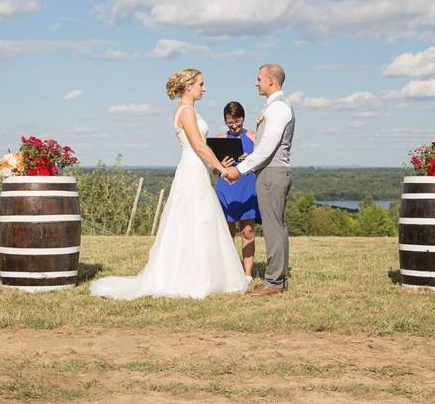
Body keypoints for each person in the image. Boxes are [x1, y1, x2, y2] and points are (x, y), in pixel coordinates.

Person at [90, 68, 248, 300]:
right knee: (193, 219)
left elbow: (204, 148)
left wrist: (215, 165)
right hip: (192, 168)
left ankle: (205, 274)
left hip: (197, 168)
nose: (204, 88)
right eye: (201, 84)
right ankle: (190, 277)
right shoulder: (185, 111)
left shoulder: (190, 110)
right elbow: (199, 145)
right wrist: (223, 170)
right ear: (188, 86)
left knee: (201, 219)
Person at [224, 63, 295, 297]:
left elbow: (267, 147)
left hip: (273, 173)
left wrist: (240, 169)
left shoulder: (278, 109)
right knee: (276, 226)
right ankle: (277, 278)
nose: (257, 83)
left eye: (259, 79)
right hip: (270, 172)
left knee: (274, 227)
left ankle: (274, 282)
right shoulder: (274, 107)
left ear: (271, 81)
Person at [215, 101, 259, 282]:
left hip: (247, 188)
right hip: (226, 189)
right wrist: (220, 166)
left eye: (237, 121)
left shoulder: (253, 137)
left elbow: (264, 160)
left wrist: (251, 158)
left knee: (248, 231)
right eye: (230, 122)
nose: (234, 126)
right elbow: (213, 169)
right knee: (227, 233)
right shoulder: (219, 139)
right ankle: (228, 271)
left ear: (243, 118)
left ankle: (247, 274)